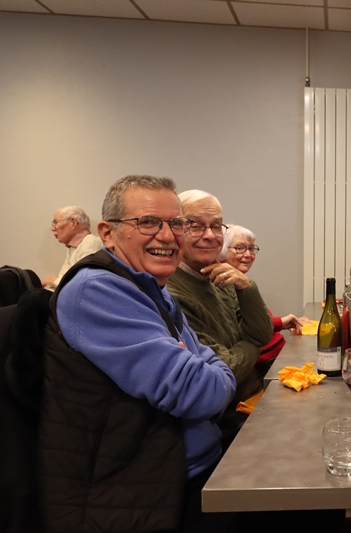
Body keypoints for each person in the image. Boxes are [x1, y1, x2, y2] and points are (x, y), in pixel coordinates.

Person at [38, 175, 237, 532]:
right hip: (145, 492)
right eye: (148, 221)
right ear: (108, 233)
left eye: (176, 223)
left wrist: (208, 370)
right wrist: (208, 372)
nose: (167, 235)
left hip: (194, 468)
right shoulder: (96, 289)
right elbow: (197, 391)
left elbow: (215, 366)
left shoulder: (152, 288)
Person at [166, 190, 274, 449]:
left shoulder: (221, 276)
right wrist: (253, 342)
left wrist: (247, 286)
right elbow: (227, 369)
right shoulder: (172, 293)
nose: (210, 235)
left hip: (254, 396)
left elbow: (264, 331)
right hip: (225, 419)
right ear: (176, 229)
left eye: (216, 226)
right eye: (196, 226)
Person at [219, 224, 310, 374]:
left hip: (278, 355)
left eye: (251, 248)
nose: (248, 254)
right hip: (266, 365)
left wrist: (280, 322)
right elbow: (240, 330)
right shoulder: (222, 286)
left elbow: (252, 322)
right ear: (221, 250)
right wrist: (277, 323)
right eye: (240, 248)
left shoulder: (241, 282)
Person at [41, 205, 103, 290]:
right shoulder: (73, 247)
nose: (53, 228)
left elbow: (83, 285)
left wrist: (54, 281)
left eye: (56, 223)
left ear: (73, 223)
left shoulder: (91, 243)